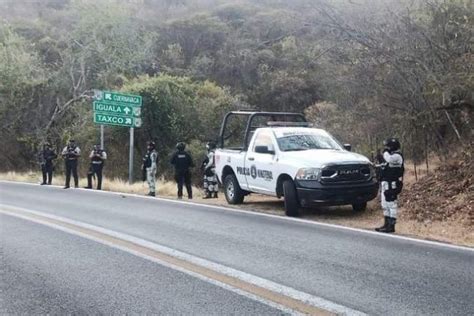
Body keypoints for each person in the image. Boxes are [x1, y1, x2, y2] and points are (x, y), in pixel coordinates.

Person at [375, 138, 404, 233]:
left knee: (391, 204)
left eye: (388, 146)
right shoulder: (390, 156)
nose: (386, 148)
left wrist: (385, 153)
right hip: (385, 183)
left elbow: (389, 159)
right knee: (384, 204)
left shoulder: (397, 156)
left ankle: (391, 225)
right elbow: (385, 165)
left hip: (392, 184)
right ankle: (386, 224)